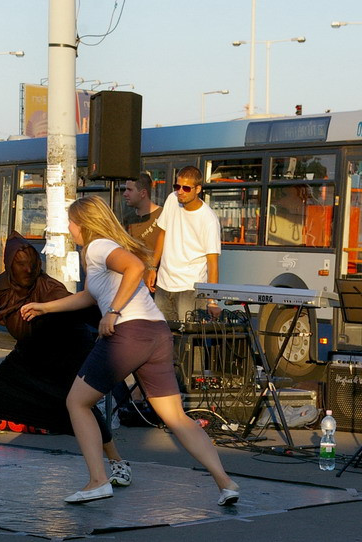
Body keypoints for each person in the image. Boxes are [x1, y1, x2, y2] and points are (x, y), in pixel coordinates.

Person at [20, 196, 239, 506]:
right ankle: (226, 483)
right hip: (156, 333)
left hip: (129, 333)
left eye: (70, 222)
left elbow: (135, 267)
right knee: (176, 417)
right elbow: (88, 296)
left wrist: (112, 312)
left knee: (77, 402)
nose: (68, 228)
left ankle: (98, 480)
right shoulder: (99, 252)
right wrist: (45, 307)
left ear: (82, 224)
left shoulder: (98, 247)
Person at [0, 232, 131, 485]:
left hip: (65, 354)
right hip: (28, 354)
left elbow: (84, 310)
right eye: (21, 264)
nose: (28, 269)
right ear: (10, 265)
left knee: (80, 409)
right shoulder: (0, 287)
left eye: (32, 264)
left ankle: (118, 463)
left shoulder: (50, 288)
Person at [145, 166, 221, 321]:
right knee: (163, 335)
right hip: (164, 284)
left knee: (189, 339)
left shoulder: (209, 219)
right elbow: (162, 233)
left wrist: (212, 301)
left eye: (186, 188)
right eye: (177, 186)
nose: (180, 191)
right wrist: (153, 267)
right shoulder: (172, 199)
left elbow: (212, 263)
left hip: (190, 288)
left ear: (198, 189)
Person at [123, 171, 162, 252]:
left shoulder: (163, 215)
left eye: (129, 190)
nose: (125, 194)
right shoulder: (127, 219)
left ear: (143, 193)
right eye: (125, 189)